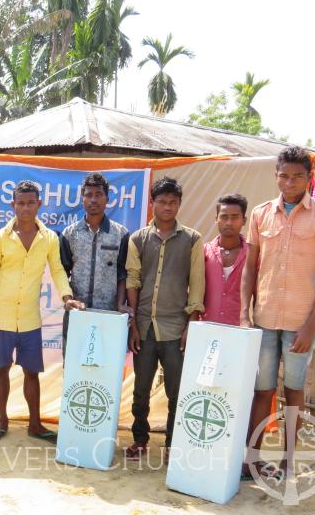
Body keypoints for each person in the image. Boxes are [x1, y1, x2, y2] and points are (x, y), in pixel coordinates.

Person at [240, 146, 315, 478]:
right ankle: (251, 460)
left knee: (293, 391)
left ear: (309, 178)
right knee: (262, 391)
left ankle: (287, 461)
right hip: (265, 319)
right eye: (284, 175)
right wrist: (245, 313)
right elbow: (250, 268)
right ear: (276, 176)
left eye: (297, 176)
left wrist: (311, 326)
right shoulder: (260, 213)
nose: (290, 182)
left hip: (301, 323)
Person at [0, 180, 83, 443]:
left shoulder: (49, 238)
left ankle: (35, 424)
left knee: (31, 372)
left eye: (30, 203)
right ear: (12, 204)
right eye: (20, 203)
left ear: (39, 204)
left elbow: (58, 269)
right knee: (1, 368)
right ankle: (2, 421)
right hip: (1, 318)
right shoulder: (0, 239)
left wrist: (67, 296)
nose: (25, 208)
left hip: (29, 318)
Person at [125, 176, 205, 463]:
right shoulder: (138, 239)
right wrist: (133, 322)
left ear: (180, 204)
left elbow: (197, 285)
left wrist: (190, 326)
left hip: (175, 328)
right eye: (162, 201)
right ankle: (139, 439)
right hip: (144, 327)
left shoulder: (192, 239)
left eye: (173, 202)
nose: (167, 207)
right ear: (153, 203)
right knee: (141, 390)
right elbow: (133, 280)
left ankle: (173, 444)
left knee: (176, 391)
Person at [60, 172, 131, 359]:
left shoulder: (121, 234)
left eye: (98, 195)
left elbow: (123, 274)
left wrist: (120, 304)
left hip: (108, 315)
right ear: (82, 199)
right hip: (77, 315)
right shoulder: (69, 234)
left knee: (105, 369)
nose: (93, 200)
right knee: (73, 370)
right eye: (89, 195)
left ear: (107, 199)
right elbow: (62, 273)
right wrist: (68, 300)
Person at [201, 194, 249, 326]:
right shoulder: (204, 252)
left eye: (235, 217)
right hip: (206, 327)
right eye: (224, 217)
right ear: (216, 219)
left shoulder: (253, 255)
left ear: (244, 220)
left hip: (239, 329)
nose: (229, 222)